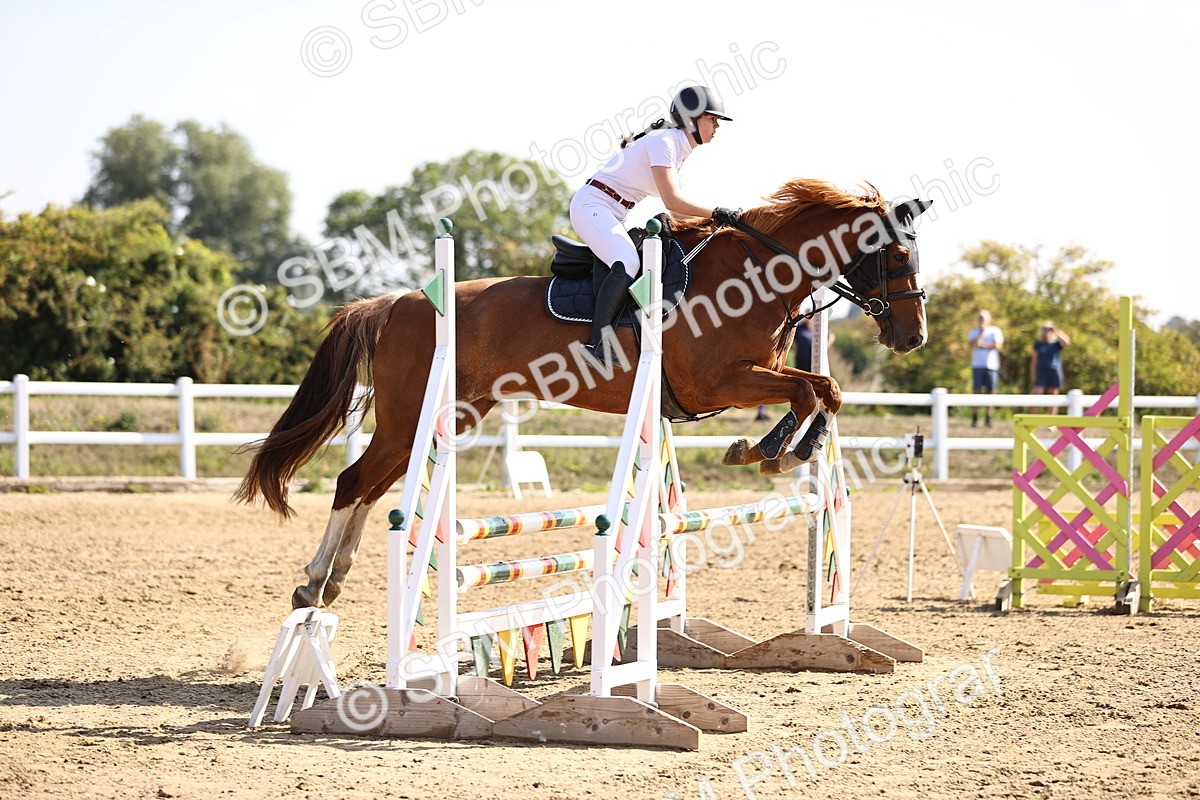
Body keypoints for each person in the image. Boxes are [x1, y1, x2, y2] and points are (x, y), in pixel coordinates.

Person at [570, 85, 739, 364]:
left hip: (613, 211)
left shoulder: (679, 148)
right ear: (691, 119)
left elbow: (680, 212)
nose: (717, 126)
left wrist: (718, 228)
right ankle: (596, 345)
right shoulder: (666, 143)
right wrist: (717, 212)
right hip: (592, 206)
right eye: (712, 119)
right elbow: (673, 201)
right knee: (628, 262)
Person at [967, 310, 1004, 427]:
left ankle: (988, 418)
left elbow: (997, 345)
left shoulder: (995, 331)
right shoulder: (973, 332)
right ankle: (975, 417)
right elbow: (973, 344)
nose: (982, 320)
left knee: (990, 392)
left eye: (984, 318)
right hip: (977, 366)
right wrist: (982, 333)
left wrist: (982, 345)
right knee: (976, 391)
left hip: (991, 367)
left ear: (989, 319)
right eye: (980, 318)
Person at [1030, 321, 1070, 413]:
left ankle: (1051, 422)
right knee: (1037, 393)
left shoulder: (1056, 344)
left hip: (1054, 372)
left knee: (1053, 396)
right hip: (1041, 372)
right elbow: (1034, 361)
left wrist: (1056, 331)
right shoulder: (1038, 344)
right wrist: (1033, 375)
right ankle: (1033, 418)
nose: (1047, 331)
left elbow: (1066, 341)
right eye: (1045, 329)